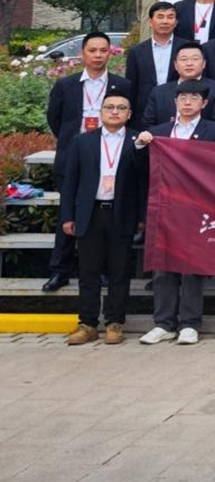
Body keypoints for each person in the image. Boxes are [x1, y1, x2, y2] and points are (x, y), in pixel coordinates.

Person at [134, 80, 215, 346]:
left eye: (194, 98)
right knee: (162, 266)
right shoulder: (159, 132)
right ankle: (163, 323)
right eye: (183, 97)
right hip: (164, 206)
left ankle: (189, 323)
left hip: (197, 207)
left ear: (204, 103)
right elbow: (140, 169)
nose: (187, 102)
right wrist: (140, 145)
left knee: (191, 266)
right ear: (175, 101)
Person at [43, 32, 130, 292]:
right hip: (73, 158)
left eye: (103, 50)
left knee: (100, 218)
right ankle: (60, 270)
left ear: (110, 53)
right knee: (68, 213)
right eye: (92, 50)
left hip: (108, 157)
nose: (98, 55)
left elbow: (128, 117)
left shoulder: (121, 85)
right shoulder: (66, 85)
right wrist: (74, 144)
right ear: (82, 53)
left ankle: (99, 269)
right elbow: (55, 119)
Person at [61, 92, 146, 346]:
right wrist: (68, 216)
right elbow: (70, 182)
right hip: (90, 213)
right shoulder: (82, 141)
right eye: (109, 107)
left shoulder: (138, 141)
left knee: (120, 271)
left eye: (121, 108)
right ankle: (87, 324)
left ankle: (115, 323)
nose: (115, 112)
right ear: (100, 112)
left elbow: (144, 180)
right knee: (89, 272)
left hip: (122, 213)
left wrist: (141, 217)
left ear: (129, 114)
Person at [125, 1, 182, 127]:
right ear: (150, 21)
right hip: (145, 112)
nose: (165, 21)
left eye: (170, 17)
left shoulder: (186, 48)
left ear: (176, 22)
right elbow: (131, 86)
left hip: (180, 110)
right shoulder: (137, 51)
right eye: (160, 17)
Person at [144, 41, 215, 126]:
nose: (189, 63)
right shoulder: (159, 92)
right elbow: (148, 123)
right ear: (175, 65)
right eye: (184, 59)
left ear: (204, 64)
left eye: (195, 59)